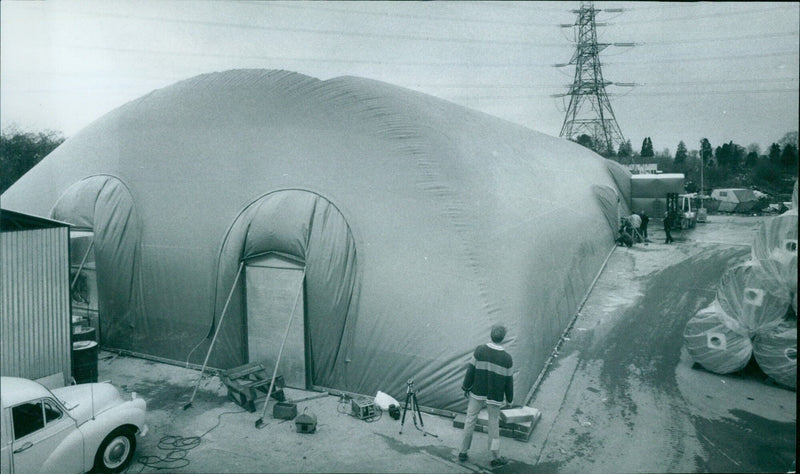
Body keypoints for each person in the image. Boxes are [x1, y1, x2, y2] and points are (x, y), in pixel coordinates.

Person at [458, 325, 514, 467]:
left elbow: (470, 370)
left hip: (477, 391)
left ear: (491, 335)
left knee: (470, 419)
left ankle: (463, 452)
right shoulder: (507, 359)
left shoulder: (480, 350)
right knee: (493, 424)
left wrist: (466, 387)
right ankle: (495, 457)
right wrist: (509, 400)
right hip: (495, 396)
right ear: (503, 338)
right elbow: (509, 383)